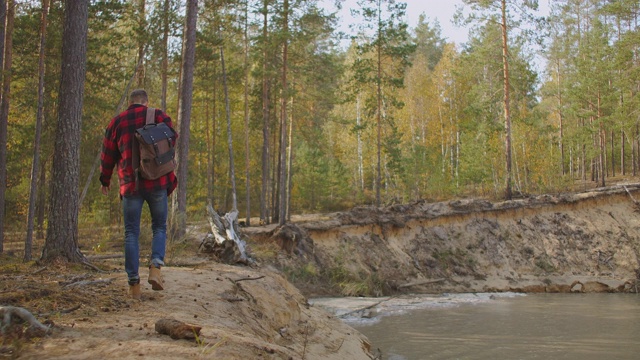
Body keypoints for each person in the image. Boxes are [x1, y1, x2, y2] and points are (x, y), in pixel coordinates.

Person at [99, 89, 178, 300]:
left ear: (130, 102)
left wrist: (104, 180)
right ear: (146, 102)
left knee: (131, 233)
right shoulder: (160, 116)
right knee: (159, 227)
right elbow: (172, 142)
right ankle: (155, 267)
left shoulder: (116, 123)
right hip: (157, 182)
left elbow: (108, 155)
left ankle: (133, 284)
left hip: (130, 185)